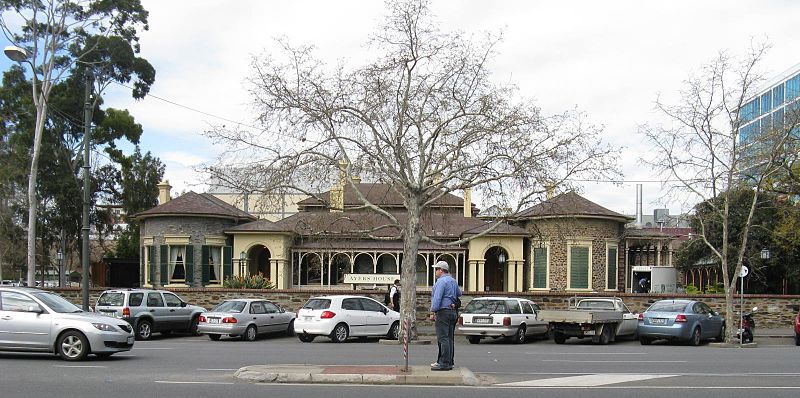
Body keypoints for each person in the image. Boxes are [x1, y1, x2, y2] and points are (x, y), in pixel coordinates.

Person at [429, 260, 461, 371]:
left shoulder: (441, 282)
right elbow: (459, 293)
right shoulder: (453, 281)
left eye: (436, 269)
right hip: (452, 312)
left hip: (443, 312)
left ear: (441, 270)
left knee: (443, 338)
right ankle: (449, 361)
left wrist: (433, 311)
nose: (435, 271)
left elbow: (437, 298)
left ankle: (443, 362)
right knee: (450, 338)